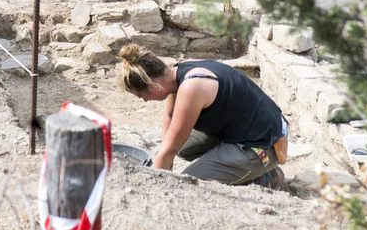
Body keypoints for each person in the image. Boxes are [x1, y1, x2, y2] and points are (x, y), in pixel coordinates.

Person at [119, 46, 287, 187]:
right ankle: (233, 167)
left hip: (262, 145)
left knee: (189, 184)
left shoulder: (192, 86)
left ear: (154, 86)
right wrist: (166, 164)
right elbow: (169, 117)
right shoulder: (178, 73)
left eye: (143, 96)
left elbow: (169, 149)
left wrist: (156, 184)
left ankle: (266, 176)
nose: (146, 101)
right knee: (182, 147)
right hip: (241, 130)